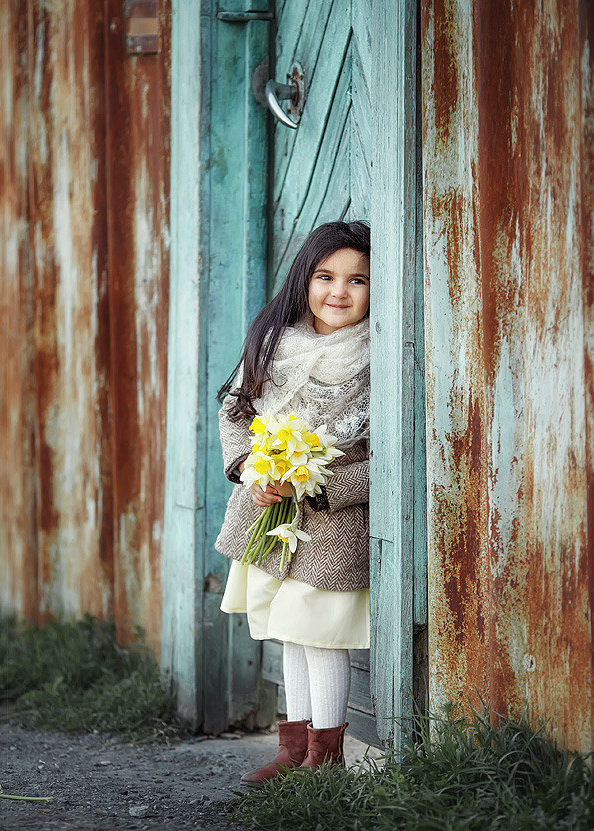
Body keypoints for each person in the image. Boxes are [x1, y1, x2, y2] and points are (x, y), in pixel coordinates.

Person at [215, 220, 372, 786]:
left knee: (320, 634)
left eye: (358, 280)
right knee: (289, 630)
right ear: (304, 278)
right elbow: (236, 412)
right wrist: (252, 469)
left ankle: (325, 761)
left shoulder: (379, 359)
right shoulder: (274, 345)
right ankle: (294, 750)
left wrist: (323, 486)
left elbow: (393, 462)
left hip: (332, 528)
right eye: (326, 276)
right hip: (269, 517)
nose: (339, 291)